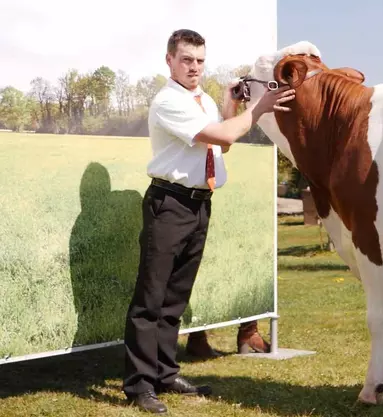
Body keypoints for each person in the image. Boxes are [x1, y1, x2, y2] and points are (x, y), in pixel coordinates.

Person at [122, 28, 295, 414]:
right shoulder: (169, 101)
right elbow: (219, 133)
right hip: (169, 204)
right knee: (149, 301)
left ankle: (165, 375)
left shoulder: (199, 99)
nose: (194, 67)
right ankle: (139, 386)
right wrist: (260, 107)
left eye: (200, 60)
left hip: (198, 204)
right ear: (169, 60)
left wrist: (229, 105)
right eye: (186, 59)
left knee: (174, 299)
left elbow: (225, 141)